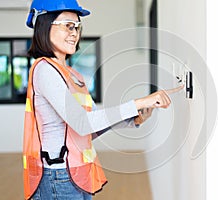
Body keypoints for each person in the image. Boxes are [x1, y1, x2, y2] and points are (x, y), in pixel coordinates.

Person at [22, 0, 183, 199]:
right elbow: (82, 124)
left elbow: (87, 128)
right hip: (58, 175)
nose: (75, 33)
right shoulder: (45, 70)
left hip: (77, 171)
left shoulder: (72, 75)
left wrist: (133, 118)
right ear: (44, 25)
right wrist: (139, 102)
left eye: (77, 26)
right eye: (68, 26)